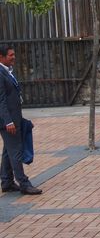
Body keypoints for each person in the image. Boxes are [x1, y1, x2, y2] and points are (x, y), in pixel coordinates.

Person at [0, 45, 42, 195]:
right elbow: (1, 101)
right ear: (1, 57)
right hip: (8, 121)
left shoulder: (7, 71)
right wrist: (8, 122)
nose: (14, 57)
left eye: (14, 54)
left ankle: (6, 181)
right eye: (10, 55)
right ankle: (24, 183)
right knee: (15, 151)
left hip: (14, 118)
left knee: (8, 151)